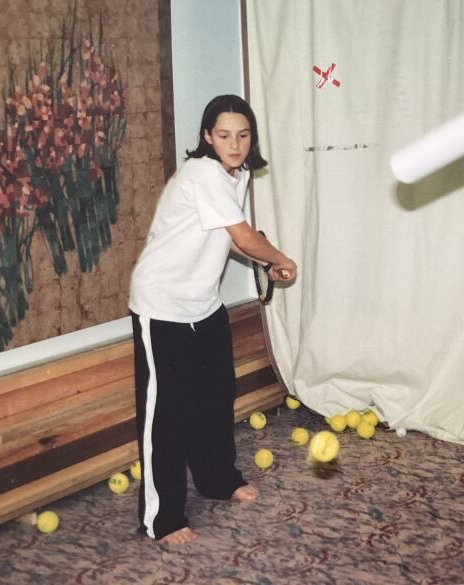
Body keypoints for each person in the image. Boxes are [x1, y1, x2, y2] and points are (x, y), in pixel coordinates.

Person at [129, 94, 297, 545]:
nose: (235, 143)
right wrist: (280, 257)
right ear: (207, 136)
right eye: (223, 135)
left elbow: (231, 238)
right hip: (161, 307)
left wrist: (264, 262)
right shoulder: (202, 172)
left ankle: (217, 480)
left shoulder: (234, 175)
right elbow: (243, 233)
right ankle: (161, 518)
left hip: (202, 305)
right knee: (164, 415)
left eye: (243, 135)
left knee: (214, 397)